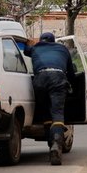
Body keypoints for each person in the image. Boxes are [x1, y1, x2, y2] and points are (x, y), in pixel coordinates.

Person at [25, 32, 75, 165]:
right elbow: (71, 71)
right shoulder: (63, 49)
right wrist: (70, 84)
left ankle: (50, 144)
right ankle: (57, 143)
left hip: (39, 79)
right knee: (57, 113)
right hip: (58, 78)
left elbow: (26, 50)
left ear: (40, 40)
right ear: (53, 41)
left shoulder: (35, 48)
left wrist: (29, 43)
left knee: (45, 113)